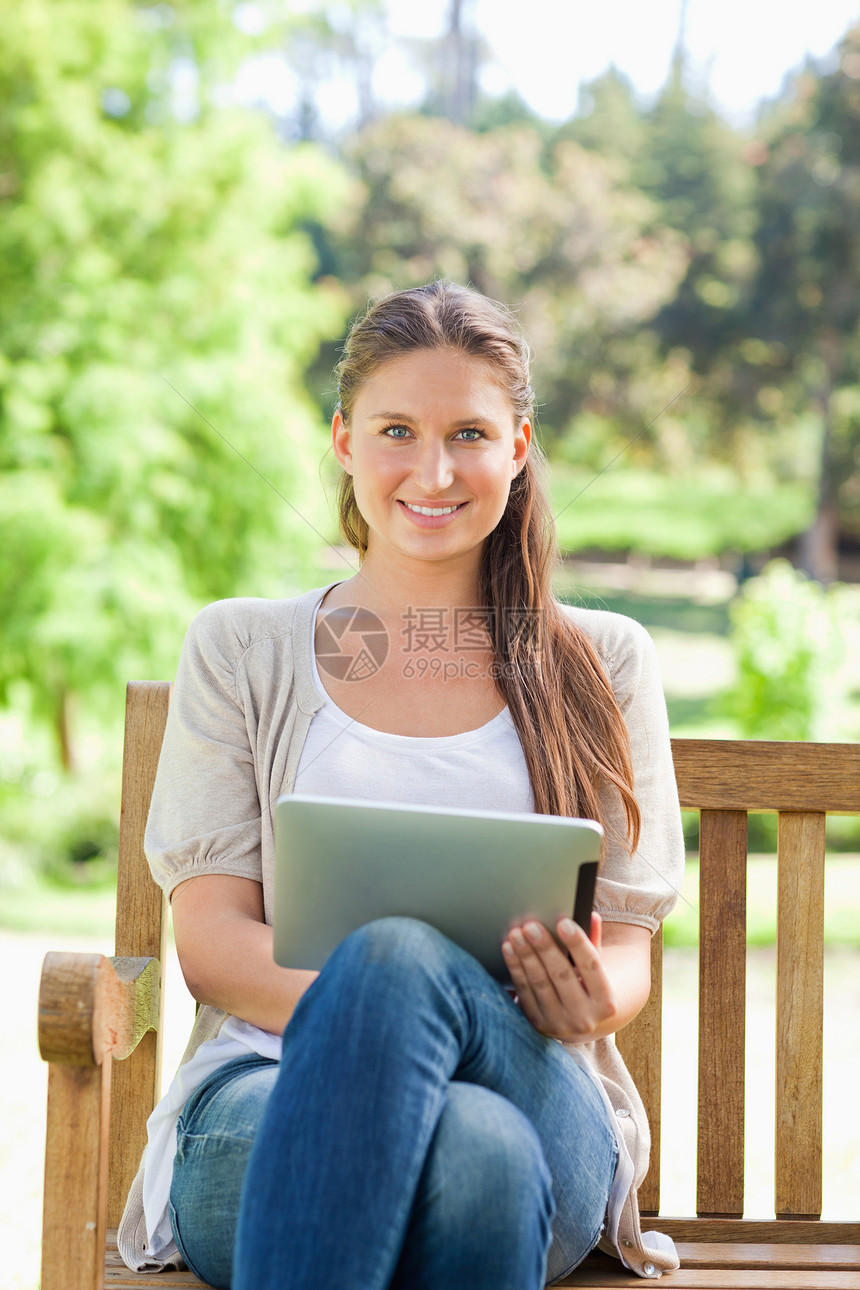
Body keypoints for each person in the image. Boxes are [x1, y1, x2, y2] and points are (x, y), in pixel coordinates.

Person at [118, 280, 685, 1288]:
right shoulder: (242, 648)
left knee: (401, 976)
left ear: (516, 446)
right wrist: (387, 1011)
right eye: (395, 430)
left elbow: (626, 965)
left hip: (531, 1080)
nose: (432, 470)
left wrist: (592, 995)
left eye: (468, 432)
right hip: (265, 1092)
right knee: (468, 1140)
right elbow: (209, 948)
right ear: (343, 439)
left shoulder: (603, 661)